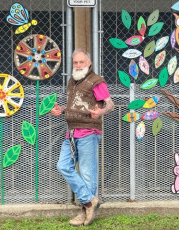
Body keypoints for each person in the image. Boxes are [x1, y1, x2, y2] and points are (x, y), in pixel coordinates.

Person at [51, 49, 114, 227]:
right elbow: (76, 105)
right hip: (71, 132)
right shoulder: (72, 81)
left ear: (89, 63)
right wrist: (62, 110)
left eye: (81, 62)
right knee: (63, 166)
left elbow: (110, 104)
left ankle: (84, 211)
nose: (78, 65)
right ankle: (89, 201)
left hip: (89, 132)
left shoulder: (96, 81)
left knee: (87, 174)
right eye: (75, 62)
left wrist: (101, 111)